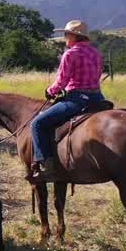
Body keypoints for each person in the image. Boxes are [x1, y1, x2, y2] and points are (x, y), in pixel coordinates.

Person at [29, 20, 105, 182]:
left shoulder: (70, 54)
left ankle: (46, 166)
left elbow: (61, 82)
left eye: (66, 34)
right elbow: (97, 76)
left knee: (37, 124)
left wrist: (50, 91)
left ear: (74, 36)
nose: (64, 38)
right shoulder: (96, 53)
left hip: (78, 99)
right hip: (98, 98)